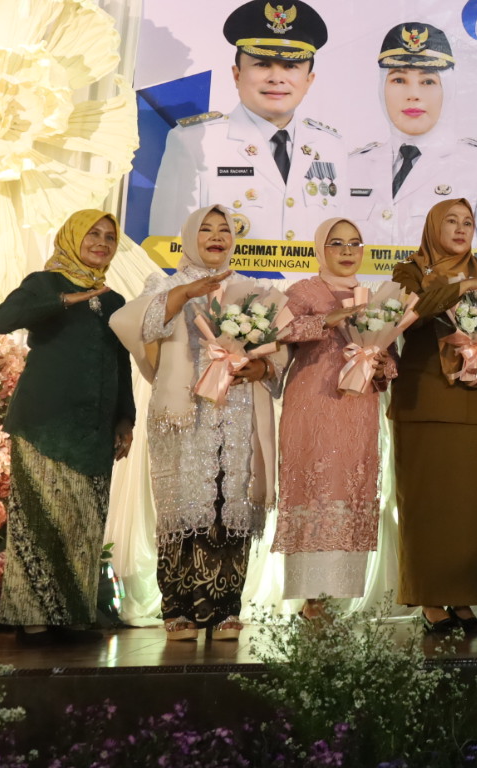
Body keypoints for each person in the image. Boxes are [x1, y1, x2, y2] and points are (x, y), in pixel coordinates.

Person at [110, 206, 283, 641]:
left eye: (225, 230)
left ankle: (226, 607)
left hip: (237, 412)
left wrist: (263, 370)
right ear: (189, 236)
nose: (216, 236)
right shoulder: (164, 285)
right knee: (184, 504)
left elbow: (281, 347)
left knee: (231, 502)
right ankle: (178, 608)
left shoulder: (252, 291)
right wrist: (185, 294)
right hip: (184, 415)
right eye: (205, 229)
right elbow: (134, 325)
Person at [0, 210, 135, 643]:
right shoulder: (45, 282)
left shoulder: (113, 301)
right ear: (72, 237)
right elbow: (1, 320)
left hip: (93, 427)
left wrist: (125, 418)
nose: (102, 242)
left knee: (84, 523)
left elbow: (119, 363)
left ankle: (74, 612)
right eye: (93, 233)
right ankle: (30, 615)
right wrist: (66, 299)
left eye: (110, 236)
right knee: (37, 522)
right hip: (44, 423)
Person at [389, 199, 477, 634]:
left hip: (476, 405)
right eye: (451, 221)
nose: (461, 228)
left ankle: (464, 599)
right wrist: (463, 286)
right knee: (426, 506)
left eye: (468, 222)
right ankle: (429, 599)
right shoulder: (411, 270)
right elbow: (414, 311)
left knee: (470, 508)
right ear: (432, 226)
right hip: (424, 401)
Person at [149, 0, 350, 244]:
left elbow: (342, 245)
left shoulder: (330, 146)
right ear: (237, 75)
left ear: (309, 80)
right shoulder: (195, 142)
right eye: (262, 64)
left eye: (291, 66)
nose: (277, 78)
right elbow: (170, 248)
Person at [274, 218, 394, 616]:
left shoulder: (372, 296)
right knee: (315, 486)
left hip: (357, 408)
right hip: (312, 402)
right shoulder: (304, 290)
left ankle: (337, 595)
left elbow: (388, 359)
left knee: (350, 485)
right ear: (321, 249)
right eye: (337, 243)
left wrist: (379, 368)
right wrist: (329, 320)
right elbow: (277, 332)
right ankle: (311, 598)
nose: (346, 251)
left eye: (355, 243)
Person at [348, 22, 477, 249]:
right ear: (382, 87)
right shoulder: (353, 166)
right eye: (399, 80)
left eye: (428, 81)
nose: (413, 95)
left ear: (447, 89)